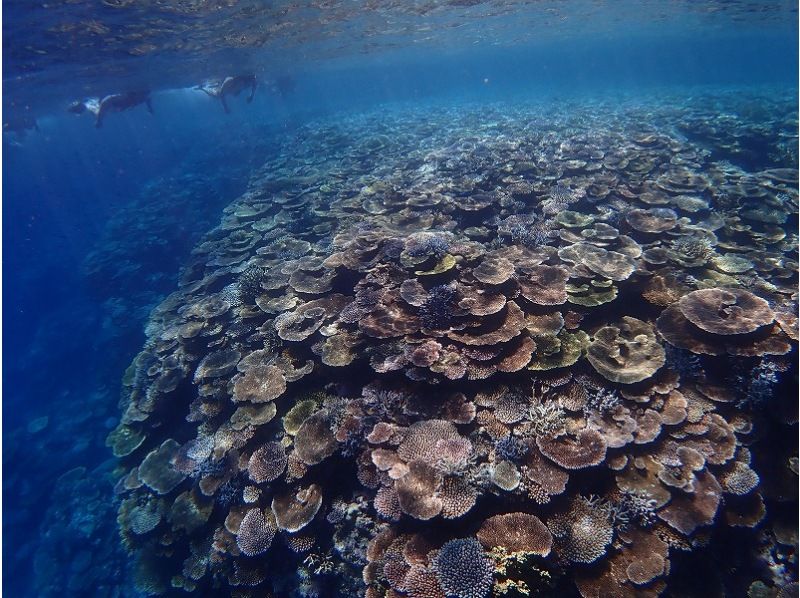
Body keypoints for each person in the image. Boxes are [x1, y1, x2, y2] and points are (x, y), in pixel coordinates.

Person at [68, 91, 153, 128]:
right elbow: (107, 101)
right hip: (118, 103)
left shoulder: (129, 100)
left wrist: (98, 120)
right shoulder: (131, 100)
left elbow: (107, 101)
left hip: (117, 103)